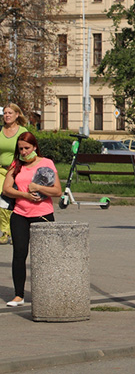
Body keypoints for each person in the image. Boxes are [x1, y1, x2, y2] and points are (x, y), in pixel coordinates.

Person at [2, 131, 61, 306]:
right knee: (19, 254)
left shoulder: (46, 163)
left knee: (45, 255)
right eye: (21, 149)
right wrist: (25, 195)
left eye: (27, 148)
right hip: (20, 214)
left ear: (34, 147)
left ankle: (47, 293)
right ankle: (18, 295)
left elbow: (57, 190)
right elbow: (6, 189)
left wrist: (37, 187)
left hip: (42, 214)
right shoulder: (16, 164)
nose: (24, 152)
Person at [0, 104, 29, 246]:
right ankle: (5, 231)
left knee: (14, 201)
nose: (7, 115)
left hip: (17, 170)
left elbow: (27, 150)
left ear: (17, 114)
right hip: (1, 170)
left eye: (10, 113)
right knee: (2, 201)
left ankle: (14, 230)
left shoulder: (22, 132)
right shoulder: (0, 131)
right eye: (5, 113)